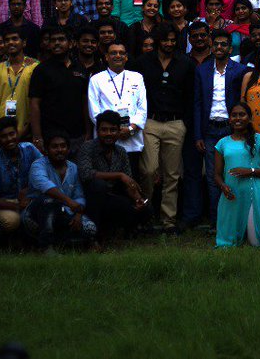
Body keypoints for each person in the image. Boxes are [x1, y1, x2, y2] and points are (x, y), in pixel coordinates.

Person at [137, 23, 196, 233]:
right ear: (158, 40)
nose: (169, 43)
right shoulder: (143, 62)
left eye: (173, 40)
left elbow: (191, 97)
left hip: (175, 122)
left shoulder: (185, 63)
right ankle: (146, 215)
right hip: (150, 122)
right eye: (165, 40)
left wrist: (185, 124)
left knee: (172, 175)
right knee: (149, 169)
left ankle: (168, 220)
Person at [195, 31, 247, 216]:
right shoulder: (202, 70)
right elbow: (198, 103)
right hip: (209, 129)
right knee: (212, 175)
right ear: (211, 46)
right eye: (216, 44)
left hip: (231, 128)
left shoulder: (240, 70)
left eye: (223, 44)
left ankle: (234, 216)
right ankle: (216, 217)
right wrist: (198, 135)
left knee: (233, 172)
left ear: (230, 48)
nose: (219, 47)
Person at [76, 111, 149, 243]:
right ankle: (93, 238)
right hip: (90, 200)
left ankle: (127, 234)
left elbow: (128, 182)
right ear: (97, 131)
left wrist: (137, 199)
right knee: (99, 185)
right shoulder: (88, 148)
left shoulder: (120, 152)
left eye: (113, 130)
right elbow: (86, 174)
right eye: (104, 130)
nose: (108, 133)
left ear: (118, 131)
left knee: (145, 207)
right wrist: (119, 175)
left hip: (112, 197)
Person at [214, 102, 260, 247]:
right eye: (234, 115)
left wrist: (250, 171)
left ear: (249, 118)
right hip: (232, 195)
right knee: (228, 243)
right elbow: (216, 174)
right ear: (229, 119)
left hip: (255, 192)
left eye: (242, 114)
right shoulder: (222, 143)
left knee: (257, 243)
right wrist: (223, 186)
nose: (238, 118)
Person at [27, 131, 97, 250]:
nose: (59, 150)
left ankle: (63, 242)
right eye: (54, 146)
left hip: (66, 212)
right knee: (48, 201)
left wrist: (79, 214)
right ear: (46, 150)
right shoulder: (38, 165)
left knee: (90, 228)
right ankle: (47, 247)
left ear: (68, 149)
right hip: (37, 213)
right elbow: (45, 186)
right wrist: (69, 201)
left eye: (63, 146)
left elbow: (79, 195)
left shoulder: (73, 168)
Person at [29, 25, 92, 148]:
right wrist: (37, 136)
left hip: (77, 136)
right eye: (53, 40)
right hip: (51, 137)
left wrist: (88, 132)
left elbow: (85, 102)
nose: (56, 43)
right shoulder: (41, 70)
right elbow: (34, 104)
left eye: (61, 39)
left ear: (71, 43)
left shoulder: (81, 69)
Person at [87, 41, 147, 165]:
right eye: (113, 53)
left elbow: (142, 109)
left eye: (121, 53)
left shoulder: (137, 77)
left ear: (126, 57)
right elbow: (94, 112)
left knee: (132, 177)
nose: (118, 55)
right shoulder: (96, 79)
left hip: (132, 139)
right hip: (105, 138)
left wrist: (130, 129)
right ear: (106, 57)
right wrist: (113, 131)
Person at [0, 116, 43, 241]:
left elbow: (45, 171)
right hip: (7, 202)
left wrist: (29, 189)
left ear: (17, 132)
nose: (9, 139)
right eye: (4, 136)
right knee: (13, 220)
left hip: (30, 196)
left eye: (12, 134)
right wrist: (17, 207)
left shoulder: (29, 149)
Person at [0, 28, 39, 138]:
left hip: (27, 130)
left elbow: (36, 103)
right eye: (7, 40)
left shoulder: (35, 67)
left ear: (23, 42)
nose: (10, 42)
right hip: (2, 132)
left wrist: (27, 129)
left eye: (14, 39)